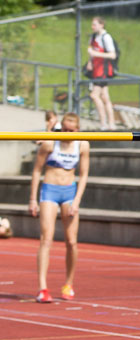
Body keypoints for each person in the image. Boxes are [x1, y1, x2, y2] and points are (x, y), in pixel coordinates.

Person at [29, 112, 89, 303]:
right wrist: (32, 199)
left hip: (69, 193)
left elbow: (84, 174)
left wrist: (77, 200)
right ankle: (43, 287)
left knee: (71, 241)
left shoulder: (83, 145)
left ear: (77, 130)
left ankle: (68, 283)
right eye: (63, 129)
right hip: (50, 191)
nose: (66, 133)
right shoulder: (49, 143)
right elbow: (37, 170)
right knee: (46, 239)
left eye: (70, 131)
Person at [85, 16, 118, 130]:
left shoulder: (106, 37)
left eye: (95, 24)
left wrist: (95, 54)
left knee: (94, 95)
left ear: (101, 25)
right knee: (104, 97)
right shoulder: (93, 37)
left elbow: (112, 55)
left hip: (103, 70)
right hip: (96, 69)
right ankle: (111, 123)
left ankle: (103, 123)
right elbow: (91, 52)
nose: (92, 27)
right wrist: (90, 62)